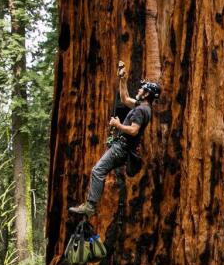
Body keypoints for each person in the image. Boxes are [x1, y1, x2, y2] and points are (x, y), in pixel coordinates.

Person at [69, 63, 161, 216]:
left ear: (146, 94)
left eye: (142, 89)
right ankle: (89, 205)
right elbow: (124, 99)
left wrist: (118, 124)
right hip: (123, 148)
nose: (139, 89)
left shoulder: (140, 110)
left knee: (98, 171)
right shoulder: (144, 107)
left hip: (121, 149)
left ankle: (90, 207)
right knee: (99, 170)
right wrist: (123, 80)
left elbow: (134, 130)